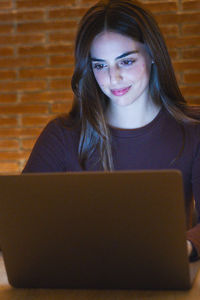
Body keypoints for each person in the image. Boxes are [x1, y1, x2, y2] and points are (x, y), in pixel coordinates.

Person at [22, 0, 200, 260]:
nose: (113, 77)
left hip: (161, 281)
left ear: (152, 55)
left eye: (125, 62)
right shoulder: (62, 135)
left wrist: (179, 248)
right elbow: (18, 219)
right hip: (75, 283)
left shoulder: (193, 130)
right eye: (100, 65)